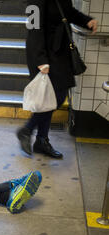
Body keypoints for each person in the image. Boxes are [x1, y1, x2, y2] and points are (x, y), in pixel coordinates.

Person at [17, 0, 98, 159]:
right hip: (43, 54)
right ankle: (27, 130)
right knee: (55, 97)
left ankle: (40, 139)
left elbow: (66, 12)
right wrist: (41, 59)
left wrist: (85, 20)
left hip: (59, 52)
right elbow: (34, 27)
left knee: (54, 97)